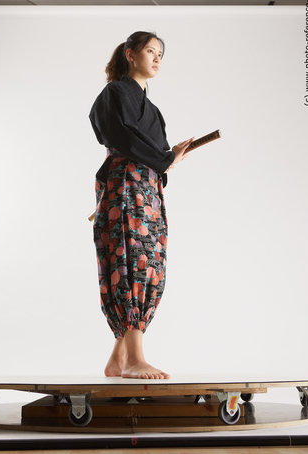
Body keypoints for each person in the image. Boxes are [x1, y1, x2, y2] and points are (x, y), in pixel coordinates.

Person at [89, 31, 194, 379]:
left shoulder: (155, 111)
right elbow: (120, 138)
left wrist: (169, 158)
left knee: (149, 263)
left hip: (145, 191)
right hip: (125, 188)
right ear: (130, 55)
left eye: (161, 53)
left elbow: (156, 157)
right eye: (151, 50)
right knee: (130, 259)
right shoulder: (114, 92)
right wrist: (163, 159)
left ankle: (118, 358)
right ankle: (135, 358)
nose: (157, 57)